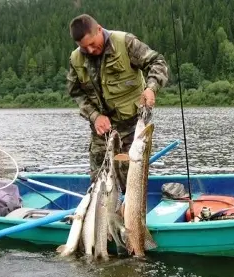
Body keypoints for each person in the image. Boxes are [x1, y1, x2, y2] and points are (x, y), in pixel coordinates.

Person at [66, 14, 169, 189]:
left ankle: (130, 214)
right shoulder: (76, 59)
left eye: (92, 44)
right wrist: (94, 116)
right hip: (101, 131)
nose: (90, 50)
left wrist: (151, 87)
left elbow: (157, 62)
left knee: (132, 182)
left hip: (132, 127)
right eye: (84, 47)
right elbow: (76, 92)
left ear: (99, 29)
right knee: (99, 184)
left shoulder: (125, 43)